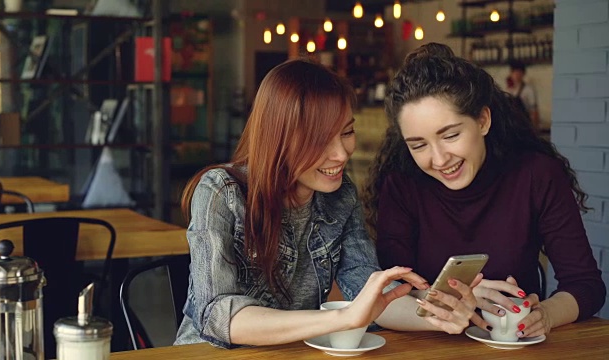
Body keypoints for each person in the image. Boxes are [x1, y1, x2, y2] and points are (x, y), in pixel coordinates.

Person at [172, 59, 433, 349]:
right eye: (319, 140)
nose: (341, 154)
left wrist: (447, 312)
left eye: (346, 132)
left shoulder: (340, 195)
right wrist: (342, 319)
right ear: (279, 137)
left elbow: (367, 291)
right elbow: (217, 316)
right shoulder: (222, 192)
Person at [364, 43, 605, 339]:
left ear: (483, 120)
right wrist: (459, 301)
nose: (439, 160)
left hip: (511, 345)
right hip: (429, 348)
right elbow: (390, 295)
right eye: (418, 145)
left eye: (451, 135)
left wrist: (546, 315)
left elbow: (585, 285)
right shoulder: (402, 184)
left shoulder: (536, 175)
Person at [506, 60, 540, 129]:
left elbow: (534, 111)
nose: (516, 75)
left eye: (519, 73)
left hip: (525, 126)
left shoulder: (528, 90)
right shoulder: (509, 90)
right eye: (514, 72)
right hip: (512, 126)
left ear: (523, 74)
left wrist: (535, 129)